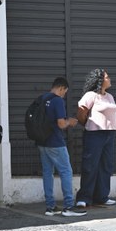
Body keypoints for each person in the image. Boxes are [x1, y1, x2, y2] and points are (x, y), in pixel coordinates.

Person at [37, 77, 86, 217]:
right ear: (61, 88)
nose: (64, 95)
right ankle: (68, 206)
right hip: (55, 142)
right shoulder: (57, 100)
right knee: (66, 171)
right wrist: (69, 122)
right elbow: (60, 124)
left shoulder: (42, 98)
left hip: (42, 142)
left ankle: (50, 207)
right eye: (65, 92)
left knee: (47, 173)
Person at [76, 69, 116, 208]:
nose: (109, 79)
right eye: (107, 76)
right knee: (90, 166)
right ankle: (84, 197)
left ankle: (102, 196)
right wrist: (87, 124)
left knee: (106, 166)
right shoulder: (91, 95)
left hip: (109, 134)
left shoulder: (110, 96)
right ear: (100, 80)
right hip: (94, 134)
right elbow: (81, 112)